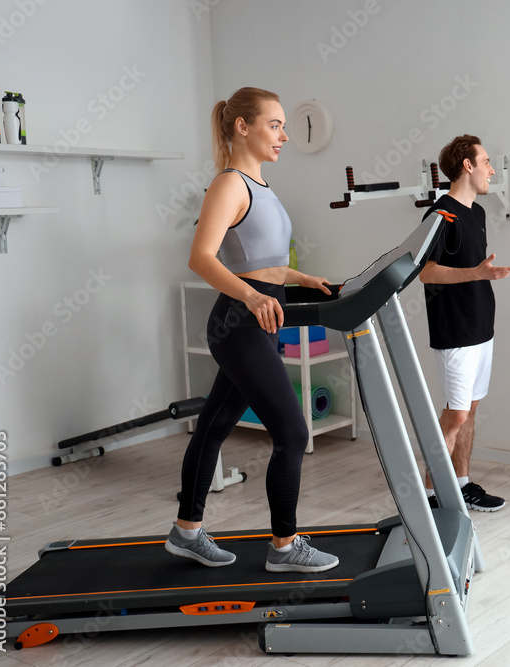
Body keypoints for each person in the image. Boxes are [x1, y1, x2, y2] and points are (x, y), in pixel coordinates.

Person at [165, 87, 338, 573]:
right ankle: (285, 548)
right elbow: (202, 257)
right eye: (275, 124)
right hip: (239, 322)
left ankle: (186, 532)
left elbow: (267, 265)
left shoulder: (261, 186)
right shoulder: (229, 184)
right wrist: (251, 295)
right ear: (244, 127)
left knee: (216, 425)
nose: (283, 135)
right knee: (291, 430)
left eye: (283, 125)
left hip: (259, 319)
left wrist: (302, 279)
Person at [418, 134, 510, 512]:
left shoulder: (477, 212)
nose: (492, 170)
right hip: (455, 330)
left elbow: (476, 270)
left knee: (470, 411)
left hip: (481, 328)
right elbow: (426, 273)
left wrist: (480, 274)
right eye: (486, 162)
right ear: (467, 165)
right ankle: (430, 496)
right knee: (456, 414)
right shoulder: (440, 214)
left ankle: (459, 485)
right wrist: (476, 274)